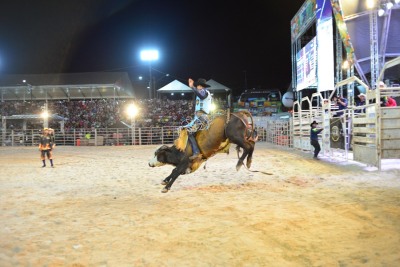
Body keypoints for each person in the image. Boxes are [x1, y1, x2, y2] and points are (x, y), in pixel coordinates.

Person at [184, 78, 212, 160]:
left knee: (189, 132)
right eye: (197, 86)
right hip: (200, 116)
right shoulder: (202, 92)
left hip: (201, 116)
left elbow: (202, 96)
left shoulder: (204, 91)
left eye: (198, 86)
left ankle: (196, 152)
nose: (198, 87)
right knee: (189, 130)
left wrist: (192, 87)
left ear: (202, 86)